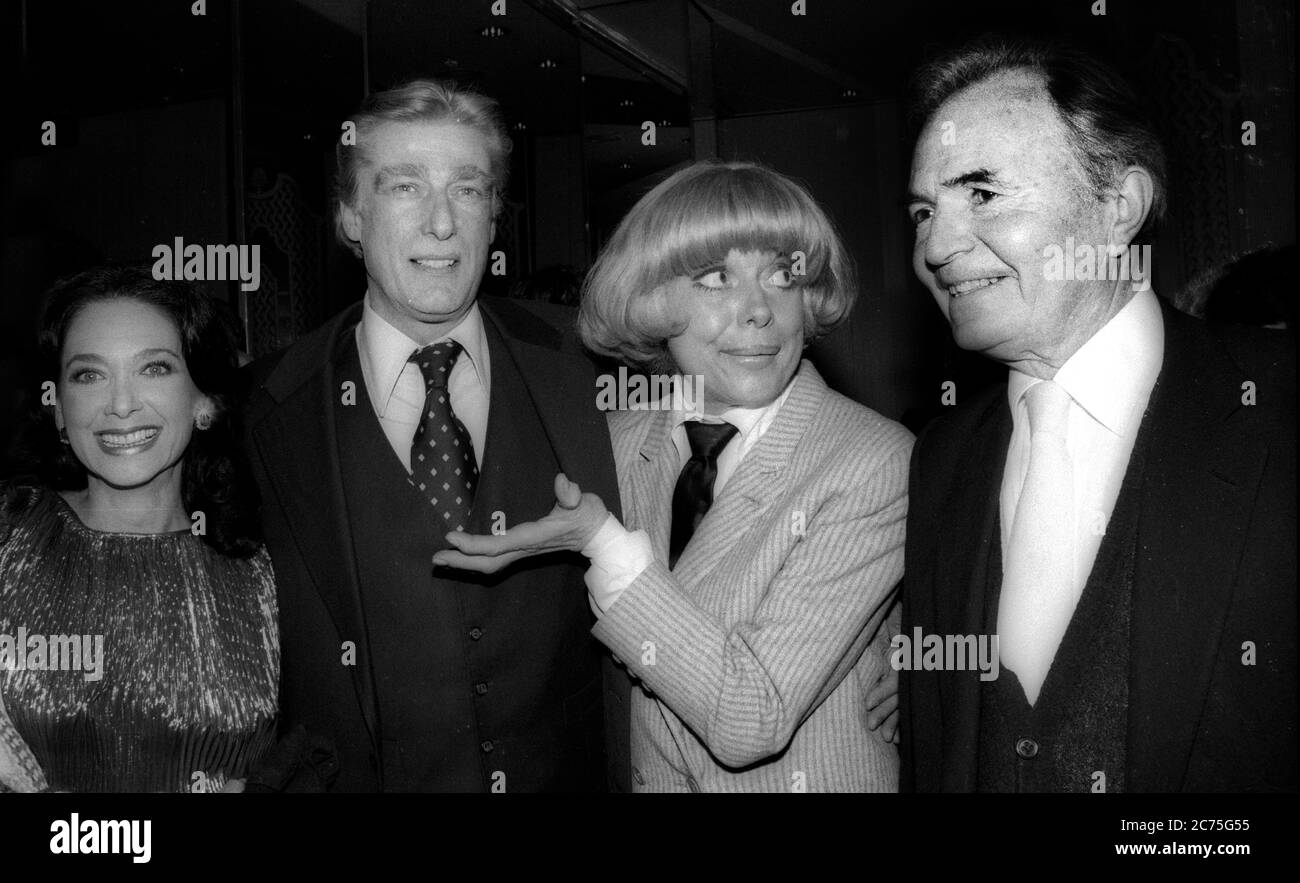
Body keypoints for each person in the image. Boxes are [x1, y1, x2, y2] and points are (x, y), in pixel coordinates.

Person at [436, 161, 910, 792]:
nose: (758, 312)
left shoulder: (869, 459)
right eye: (716, 278)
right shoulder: (611, 440)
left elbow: (750, 720)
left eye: (782, 276)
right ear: (653, 300)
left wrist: (605, 544)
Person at [901, 36, 1296, 792]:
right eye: (924, 211)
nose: (937, 247)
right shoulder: (941, 454)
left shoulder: (1279, 403)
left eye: (981, 193)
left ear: (1119, 207)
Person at [242, 79, 623, 792]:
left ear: (495, 217)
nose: (443, 223)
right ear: (351, 215)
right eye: (405, 188)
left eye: (469, 190)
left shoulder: (587, 365)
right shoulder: (264, 409)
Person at [0, 264, 277, 793]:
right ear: (57, 407)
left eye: (155, 368)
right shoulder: (9, 532)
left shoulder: (267, 571)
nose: (121, 405)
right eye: (89, 374)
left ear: (205, 401)